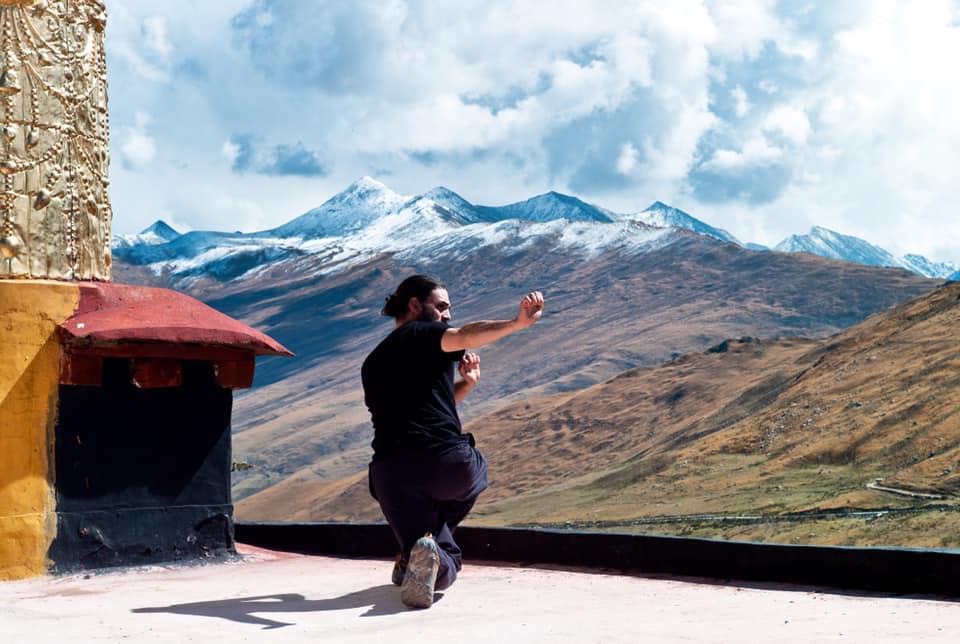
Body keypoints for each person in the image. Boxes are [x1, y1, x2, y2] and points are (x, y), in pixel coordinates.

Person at [361, 274, 544, 609]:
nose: (447, 315)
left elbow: (427, 409)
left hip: (389, 476)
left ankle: (417, 559)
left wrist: (467, 385)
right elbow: (466, 334)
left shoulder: (372, 362)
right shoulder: (422, 333)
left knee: (426, 546)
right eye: (441, 307)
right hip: (444, 464)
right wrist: (517, 323)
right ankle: (433, 554)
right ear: (415, 306)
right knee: (476, 470)